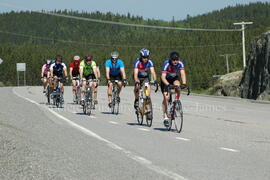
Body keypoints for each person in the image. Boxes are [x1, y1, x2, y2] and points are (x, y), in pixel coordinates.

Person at [160, 51, 187, 127]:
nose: (175, 61)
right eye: (173, 60)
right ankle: (165, 116)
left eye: (177, 59)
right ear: (170, 59)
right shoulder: (167, 63)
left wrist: (184, 83)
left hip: (174, 78)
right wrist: (168, 85)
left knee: (178, 85)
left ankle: (176, 101)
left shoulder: (180, 63)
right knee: (166, 97)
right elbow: (163, 77)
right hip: (165, 80)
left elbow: (182, 73)